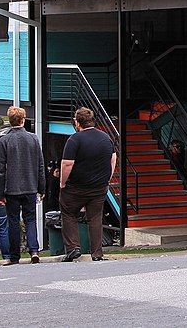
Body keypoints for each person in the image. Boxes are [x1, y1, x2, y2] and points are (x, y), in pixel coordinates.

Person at [59, 107, 117, 262]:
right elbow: (113, 159)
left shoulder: (74, 140)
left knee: (68, 213)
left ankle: (73, 248)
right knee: (95, 218)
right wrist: (107, 178)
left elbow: (67, 164)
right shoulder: (105, 138)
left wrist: (62, 183)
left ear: (77, 122)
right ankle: (97, 253)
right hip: (98, 187)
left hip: (76, 187)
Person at [0, 105, 46, 265]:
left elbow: (0, 169)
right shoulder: (33, 138)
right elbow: (40, 165)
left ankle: (14, 255)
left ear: (10, 121)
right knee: (30, 219)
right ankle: (34, 250)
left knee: (13, 221)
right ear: (23, 120)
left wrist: (0, 193)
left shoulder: (4, 140)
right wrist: (41, 187)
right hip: (30, 186)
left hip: (11, 188)